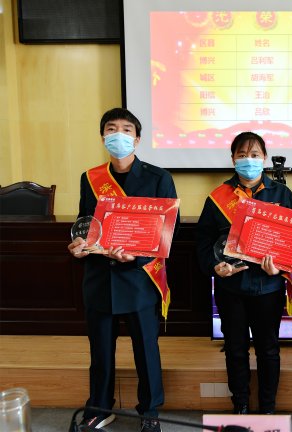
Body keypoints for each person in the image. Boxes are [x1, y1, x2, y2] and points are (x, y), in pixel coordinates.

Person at [67, 108, 178, 432]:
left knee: (146, 350)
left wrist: (137, 257)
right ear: (103, 136)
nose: (118, 135)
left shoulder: (159, 178)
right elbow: (86, 224)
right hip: (100, 278)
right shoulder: (90, 178)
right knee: (100, 350)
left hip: (140, 278)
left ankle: (150, 411)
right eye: (111, 129)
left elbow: (168, 233)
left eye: (126, 130)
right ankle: (99, 408)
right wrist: (78, 243)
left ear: (137, 138)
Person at [195, 131, 292, 415]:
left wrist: (280, 266)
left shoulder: (282, 194)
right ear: (233, 159)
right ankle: (239, 403)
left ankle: (268, 407)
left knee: (268, 349)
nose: (248, 160)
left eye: (254, 155)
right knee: (235, 348)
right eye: (242, 155)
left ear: (264, 158)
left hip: (268, 286)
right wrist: (214, 266)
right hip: (232, 287)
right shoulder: (218, 197)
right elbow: (203, 240)